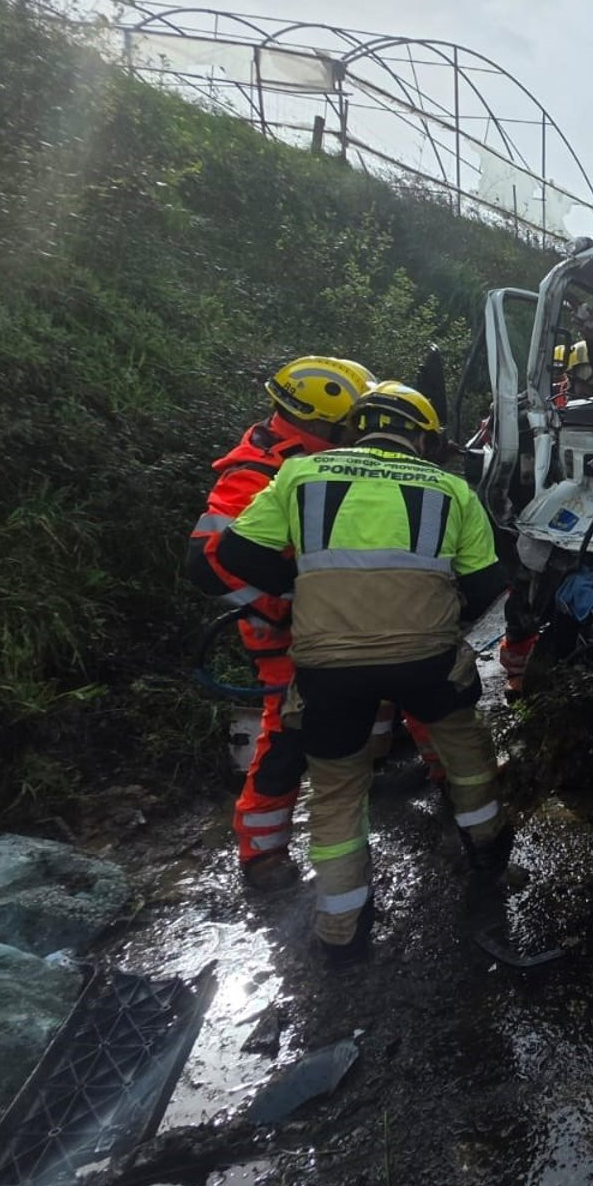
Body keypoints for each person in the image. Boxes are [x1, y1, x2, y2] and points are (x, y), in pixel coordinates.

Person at [215, 382, 511, 965]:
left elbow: (234, 555)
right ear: (423, 437)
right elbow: (485, 586)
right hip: (427, 660)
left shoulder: (301, 477)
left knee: (338, 789)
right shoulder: (451, 489)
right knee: (465, 750)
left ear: (356, 427)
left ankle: (342, 929)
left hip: (328, 667)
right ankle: (485, 849)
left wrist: (302, 593)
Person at [185, 355, 372, 893]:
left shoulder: (308, 458)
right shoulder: (257, 473)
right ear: (321, 421)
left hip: (332, 620)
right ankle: (262, 854)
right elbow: (208, 563)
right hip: (289, 633)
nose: (355, 435)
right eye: (350, 424)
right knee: (287, 737)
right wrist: (287, 601)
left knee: (383, 693)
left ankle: (386, 767)